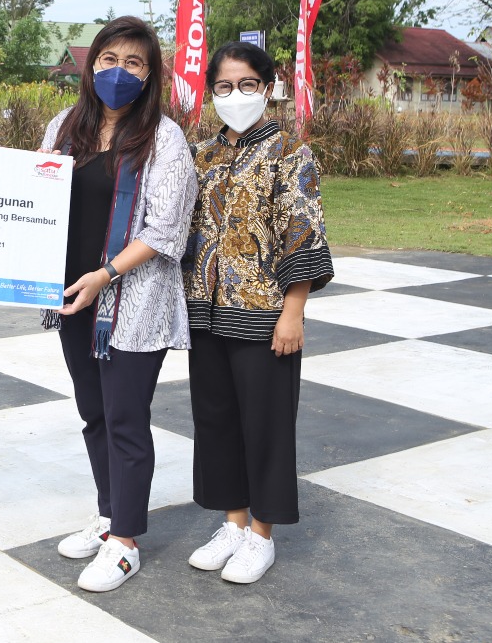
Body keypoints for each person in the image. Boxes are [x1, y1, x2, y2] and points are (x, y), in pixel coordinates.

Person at [42, 15, 197, 593]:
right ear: (91, 64)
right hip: (71, 301)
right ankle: (109, 518)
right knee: (94, 413)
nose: (119, 71)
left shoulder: (164, 138)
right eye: (109, 59)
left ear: (151, 74)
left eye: (134, 62)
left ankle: (127, 543)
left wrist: (104, 274)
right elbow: (32, 205)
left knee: (127, 419)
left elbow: (165, 229)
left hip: (131, 303)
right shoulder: (64, 128)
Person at [181, 41, 334, 585]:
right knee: (217, 421)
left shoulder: (290, 153)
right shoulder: (200, 154)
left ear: (267, 88)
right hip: (206, 313)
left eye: (246, 85)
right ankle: (233, 523)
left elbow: (304, 232)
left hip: (266, 315)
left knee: (265, 426)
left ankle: (262, 535)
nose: (235, 95)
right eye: (223, 86)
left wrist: (293, 312)